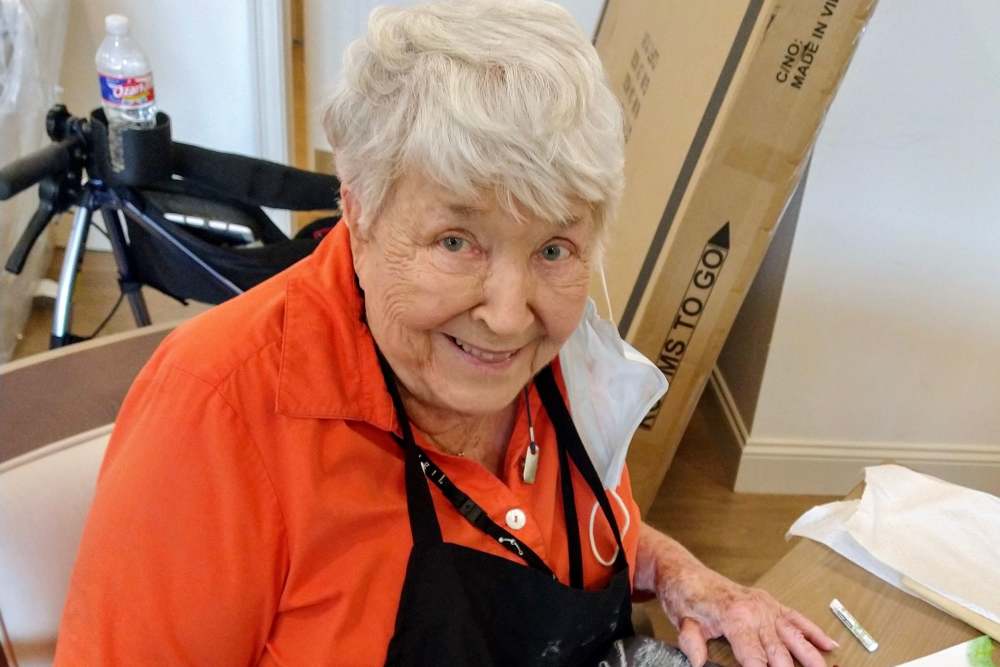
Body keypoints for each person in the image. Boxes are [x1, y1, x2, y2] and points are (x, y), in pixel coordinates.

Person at [54, 1, 838, 665]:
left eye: (554, 248)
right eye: (457, 242)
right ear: (359, 210)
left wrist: (678, 572)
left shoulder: (566, 356)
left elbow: (574, 539)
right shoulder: (218, 414)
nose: (507, 315)